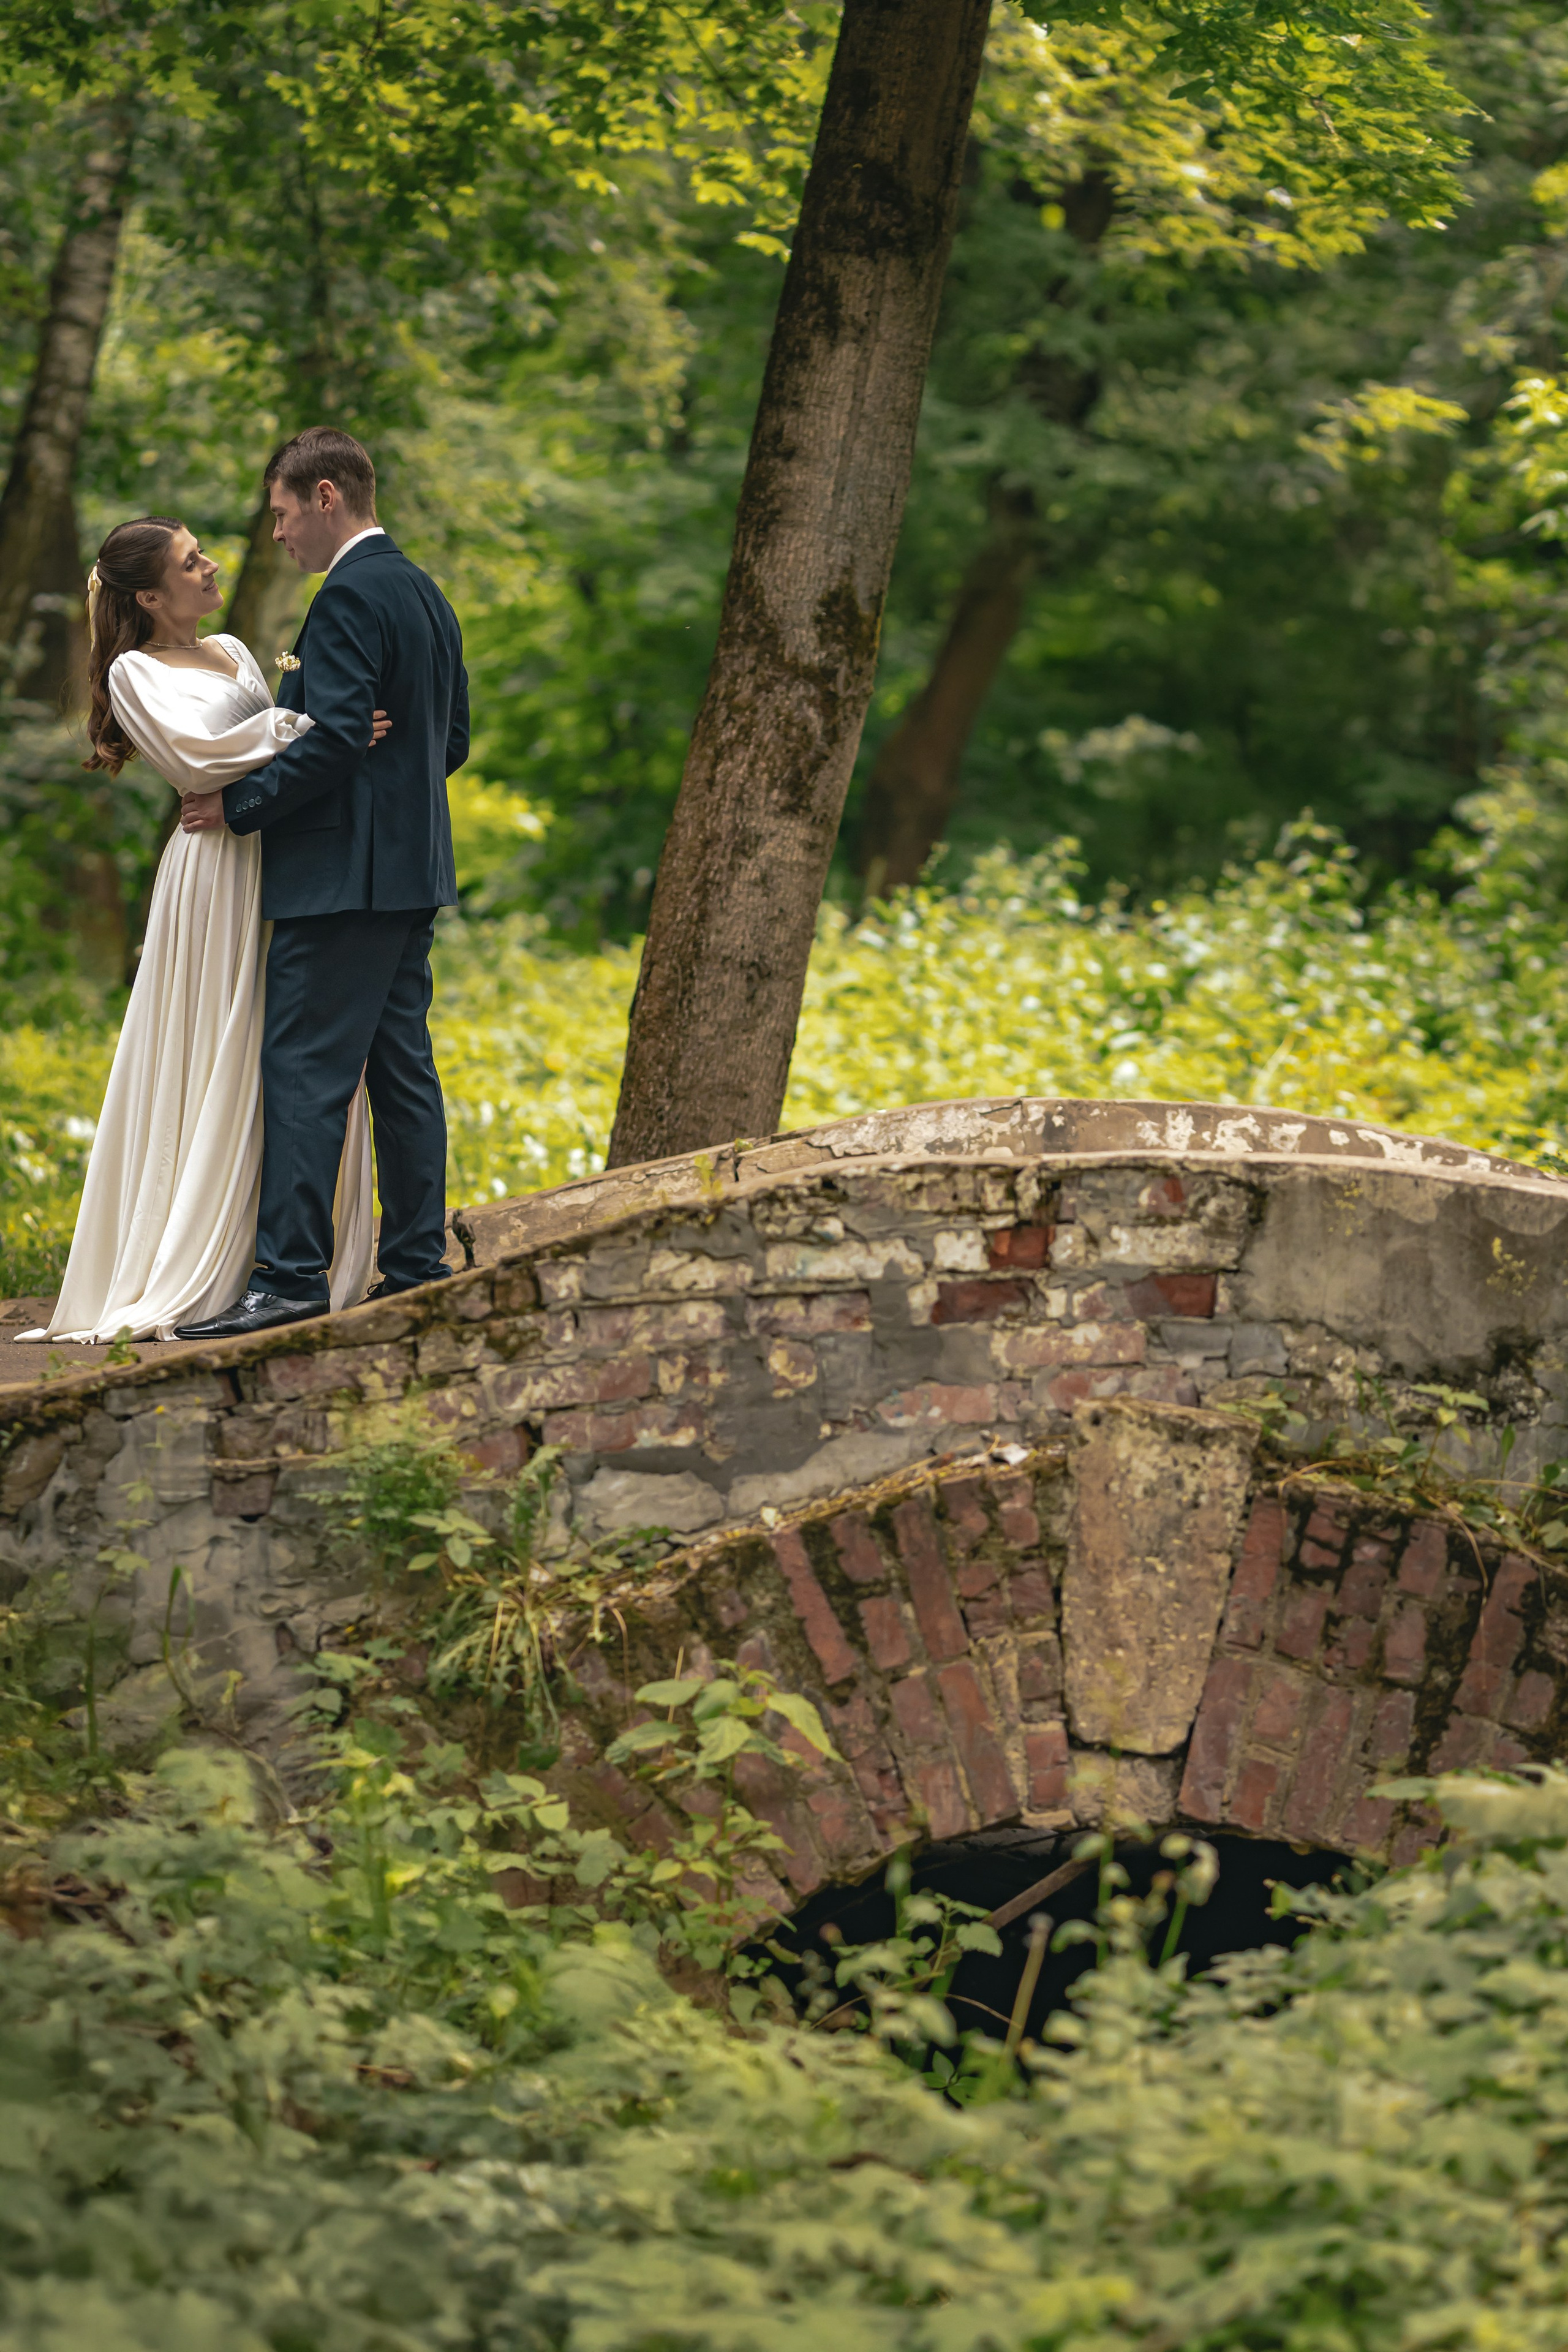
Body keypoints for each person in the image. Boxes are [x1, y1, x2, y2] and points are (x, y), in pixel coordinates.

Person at [17, 514, 382, 1344]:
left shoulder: (234, 653)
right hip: (213, 870)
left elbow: (259, 764)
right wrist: (315, 728)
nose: (211, 565)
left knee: (285, 1045)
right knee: (218, 1039)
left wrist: (304, 739)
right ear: (149, 595)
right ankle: (201, 1255)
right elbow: (199, 760)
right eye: (192, 561)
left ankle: (289, 1249)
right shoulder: (133, 674)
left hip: (275, 853)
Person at [173, 426, 467, 1340]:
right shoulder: (424, 594)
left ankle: (290, 1277)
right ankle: (416, 1266)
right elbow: (448, 743)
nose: (277, 534)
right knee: (403, 1074)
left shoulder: (346, 599)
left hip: (342, 880)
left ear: (328, 496)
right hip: (411, 871)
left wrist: (242, 803)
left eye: (283, 512)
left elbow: (337, 735)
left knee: (303, 1071)